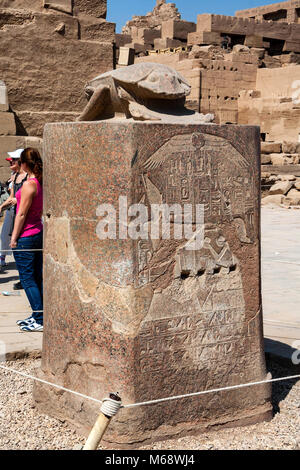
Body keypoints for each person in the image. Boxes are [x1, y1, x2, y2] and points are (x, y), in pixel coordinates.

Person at [10, 148, 43, 332]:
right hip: (37, 232)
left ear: (24, 163)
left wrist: (14, 238)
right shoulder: (39, 181)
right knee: (36, 278)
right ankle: (39, 314)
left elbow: (21, 214)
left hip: (27, 235)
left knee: (28, 279)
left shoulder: (30, 184)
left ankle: (40, 317)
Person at [0, 149, 27, 273]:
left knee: (20, 241)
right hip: (13, 212)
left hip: (24, 215)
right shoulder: (14, 176)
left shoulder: (29, 178)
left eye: (13, 160)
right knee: (7, 236)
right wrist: (1, 207)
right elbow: (12, 197)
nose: (11, 163)